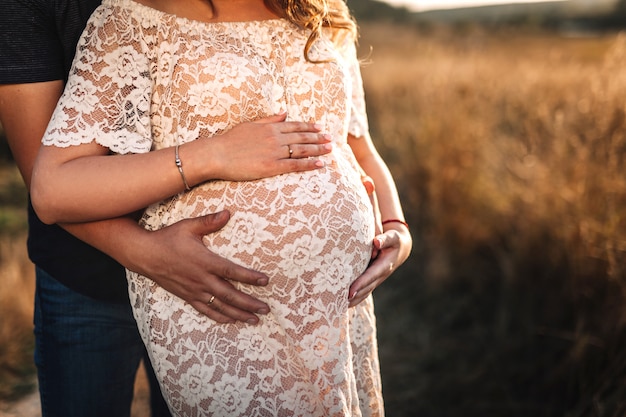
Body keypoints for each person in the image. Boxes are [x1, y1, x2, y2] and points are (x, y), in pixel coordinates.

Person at [31, 0, 413, 415]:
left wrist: (397, 225)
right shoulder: (131, 19)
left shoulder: (322, 9)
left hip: (337, 308)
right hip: (221, 309)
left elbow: (357, 144)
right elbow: (55, 189)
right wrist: (211, 155)